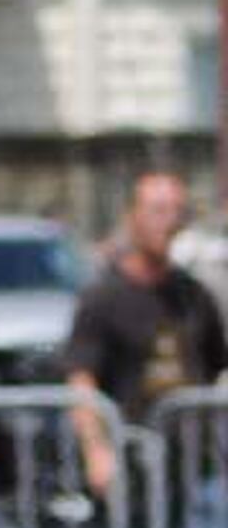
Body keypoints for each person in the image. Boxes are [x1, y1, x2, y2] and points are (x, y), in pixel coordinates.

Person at [66, 167, 228, 507]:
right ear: (132, 217)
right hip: (132, 460)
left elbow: (216, 367)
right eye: (158, 210)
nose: (168, 221)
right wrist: (96, 451)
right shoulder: (103, 297)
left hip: (193, 463)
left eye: (176, 211)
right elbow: (81, 380)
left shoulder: (195, 295)